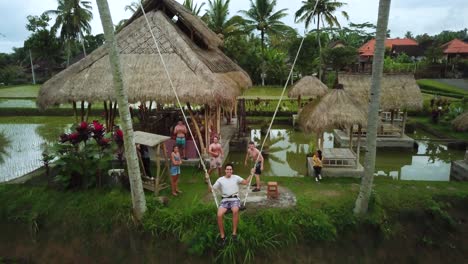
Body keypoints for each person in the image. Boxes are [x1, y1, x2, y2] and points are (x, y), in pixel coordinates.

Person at [209, 164, 253, 245]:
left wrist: (251, 174)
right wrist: (207, 179)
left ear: (232, 171)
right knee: (219, 215)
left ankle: (234, 234)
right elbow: (211, 190)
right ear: (225, 170)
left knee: (235, 210)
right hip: (225, 200)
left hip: (234, 199)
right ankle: (223, 236)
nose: (229, 171)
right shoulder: (220, 180)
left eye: (230, 169)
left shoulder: (236, 177)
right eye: (227, 169)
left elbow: (246, 182)